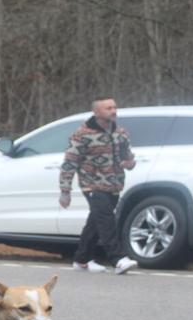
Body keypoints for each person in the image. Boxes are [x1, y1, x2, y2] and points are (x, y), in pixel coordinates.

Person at [59, 96, 137, 275]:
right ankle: (118, 259)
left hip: (114, 184)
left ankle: (82, 260)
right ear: (96, 112)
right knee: (106, 220)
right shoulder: (82, 134)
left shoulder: (121, 133)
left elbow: (127, 157)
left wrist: (130, 163)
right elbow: (69, 163)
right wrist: (65, 191)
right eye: (108, 108)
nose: (113, 111)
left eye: (114, 107)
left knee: (95, 222)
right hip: (92, 185)